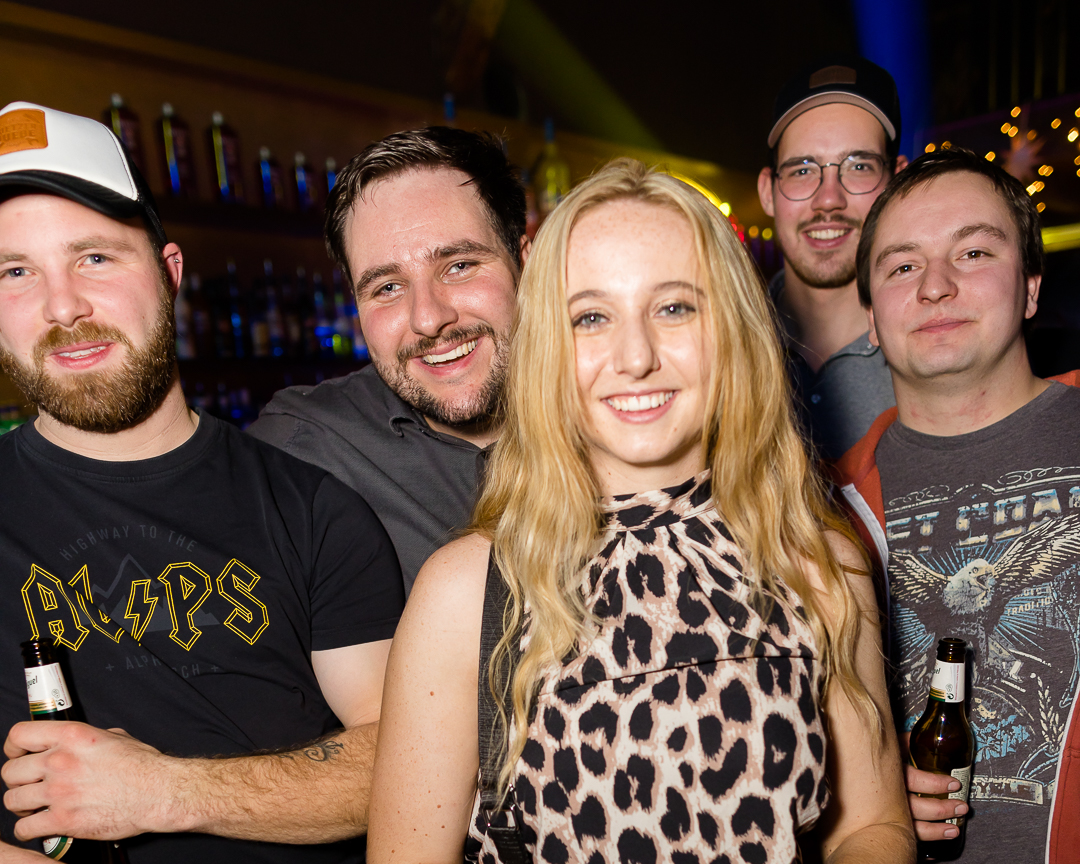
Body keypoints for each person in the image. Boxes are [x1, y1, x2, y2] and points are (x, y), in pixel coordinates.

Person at [368, 159, 914, 863]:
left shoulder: (819, 564)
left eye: (674, 308)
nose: (635, 357)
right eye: (591, 317)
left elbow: (872, 825)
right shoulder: (467, 593)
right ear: (547, 349)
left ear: (733, 330)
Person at [0, 102, 404, 863]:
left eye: (95, 258)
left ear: (170, 273)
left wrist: (161, 791)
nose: (63, 307)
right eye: (16, 272)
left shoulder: (312, 510)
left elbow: (406, 764)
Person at [833, 147, 1080, 862]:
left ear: (1030, 288)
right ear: (871, 317)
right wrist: (861, 792)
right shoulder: (814, 520)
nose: (935, 286)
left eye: (973, 252)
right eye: (902, 267)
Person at [247, 128, 527, 592]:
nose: (428, 319)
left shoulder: (623, 408)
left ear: (525, 264)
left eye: (459, 266)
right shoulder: (305, 447)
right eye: (388, 287)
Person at [757, 56, 907, 461]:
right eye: (802, 170)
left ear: (897, 184)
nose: (828, 199)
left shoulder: (940, 348)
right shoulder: (718, 346)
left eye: (859, 166)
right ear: (768, 192)